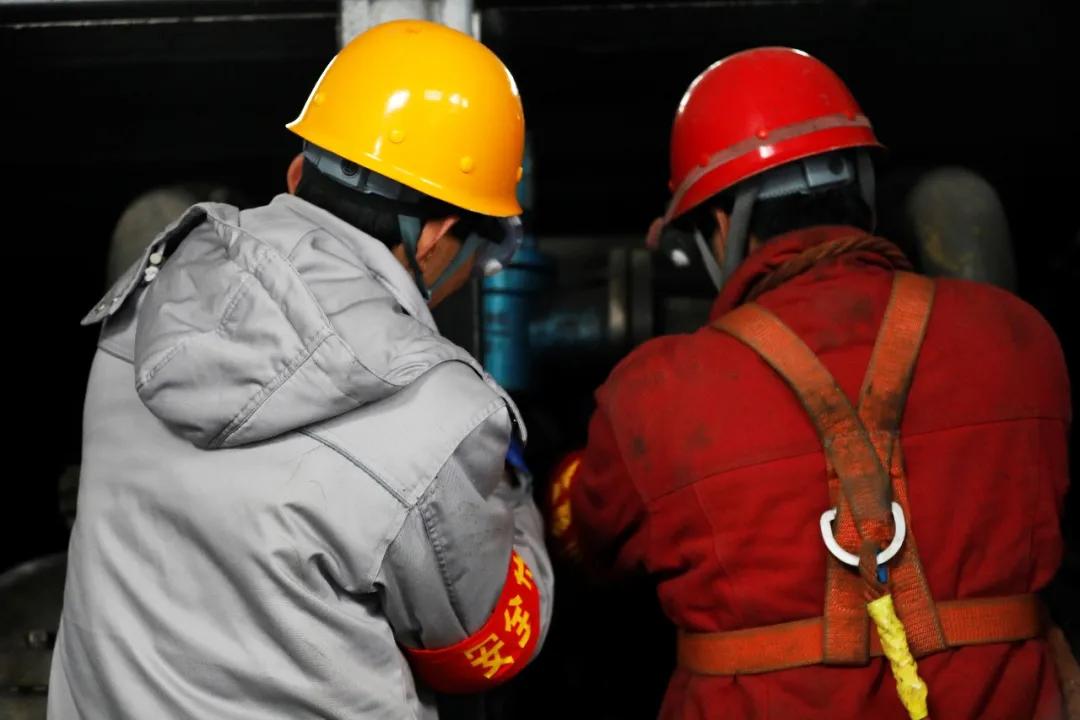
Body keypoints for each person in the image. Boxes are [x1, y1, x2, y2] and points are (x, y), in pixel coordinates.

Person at [49, 19, 552, 719]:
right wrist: (512, 500)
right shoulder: (437, 413)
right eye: (478, 250)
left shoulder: (146, 298)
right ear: (437, 235)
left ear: (297, 174)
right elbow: (481, 646)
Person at [549, 47, 1070, 719]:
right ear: (863, 187)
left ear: (721, 226)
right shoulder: (1021, 340)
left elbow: (592, 543)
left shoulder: (654, 395)